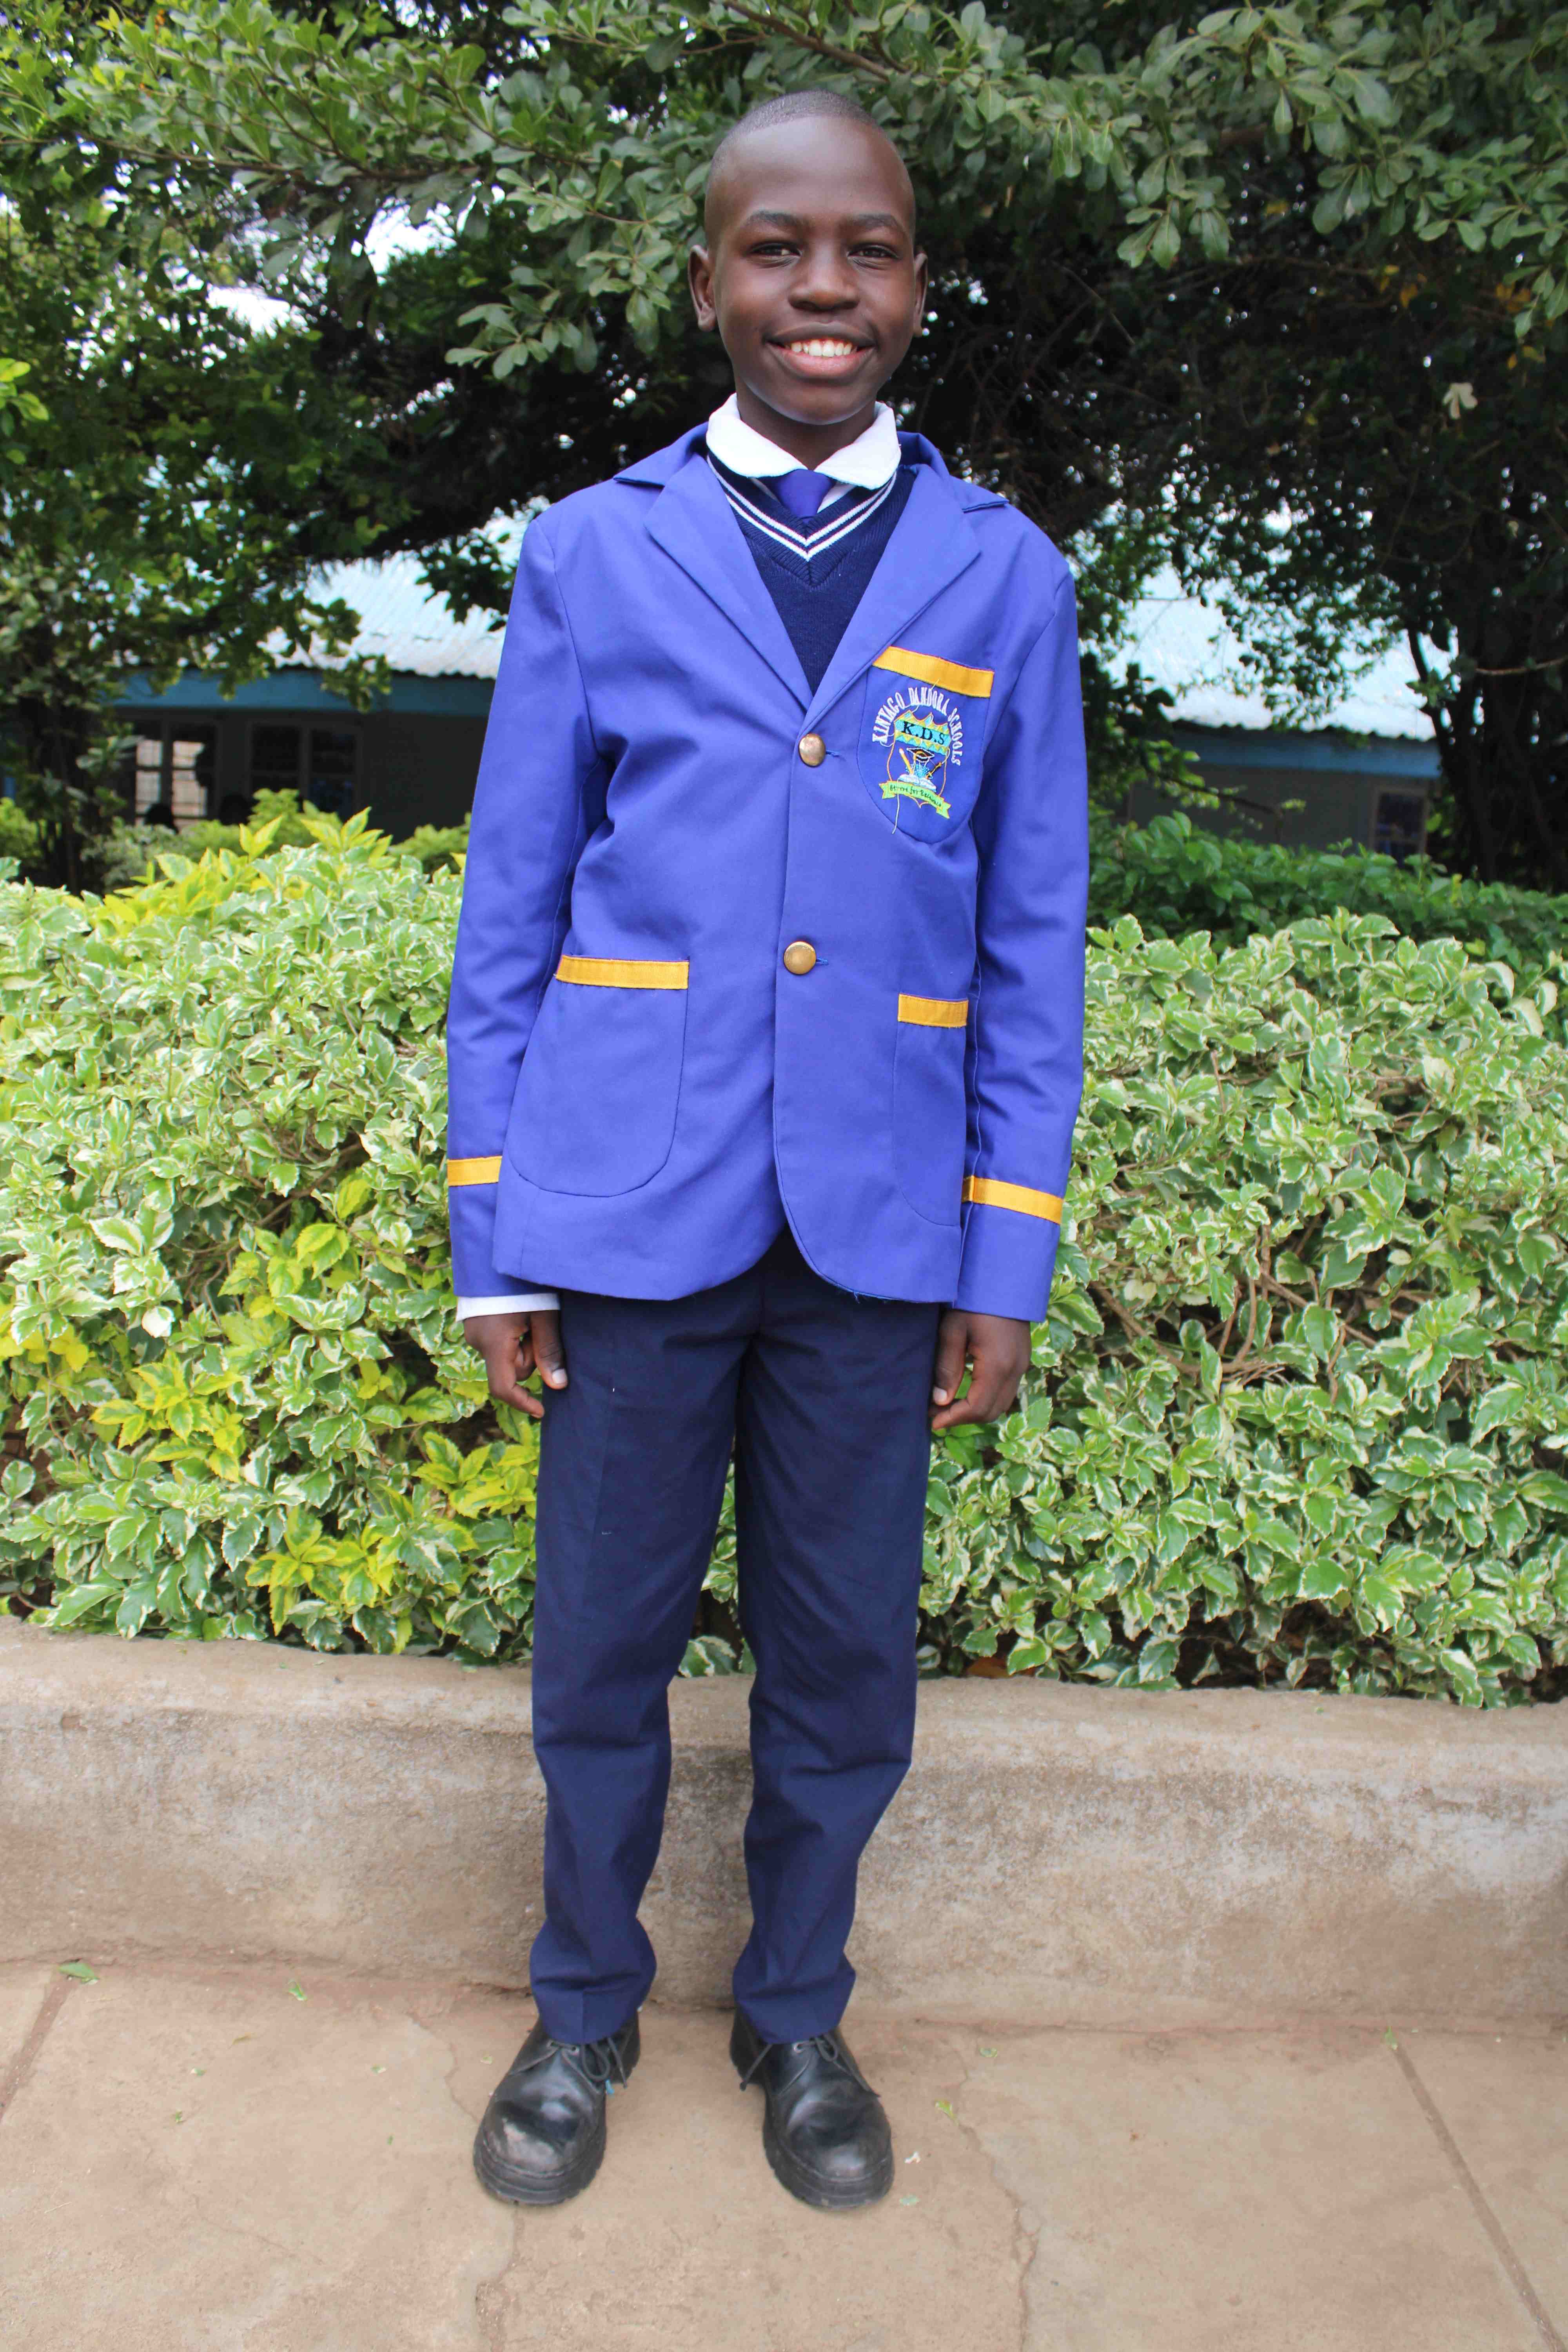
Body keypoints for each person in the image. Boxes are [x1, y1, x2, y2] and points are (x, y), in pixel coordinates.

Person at [446, 87, 1088, 2213]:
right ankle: (579, 2004)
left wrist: (1003, 1259)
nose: (827, 289)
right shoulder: (592, 551)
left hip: (878, 1227)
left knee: (844, 1663)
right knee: (600, 1652)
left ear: (917, 282)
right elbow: (512, 917)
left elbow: (1031, 945)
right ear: (711, 279)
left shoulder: (1004, 576)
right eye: (779, 248)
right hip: (634, 1212)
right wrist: (494, 1234)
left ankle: (798, 2013)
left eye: (869, 249)